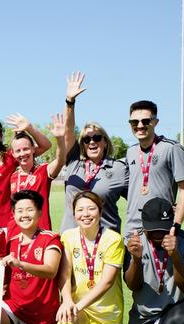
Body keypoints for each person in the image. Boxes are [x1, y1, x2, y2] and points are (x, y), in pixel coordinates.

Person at [56, 191, 124, 324]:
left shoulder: (113, 239)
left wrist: (77, 305)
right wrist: (68, 301)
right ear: (74, 213)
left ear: (100, 211)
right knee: (65, 320)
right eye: (80, 209)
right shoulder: (68, 237)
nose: (86, 214)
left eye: (91, 208)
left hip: (105, 312)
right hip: (80, 309)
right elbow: (64, 275)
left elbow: (106, 283)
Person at [1, 190, 63, 324]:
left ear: (39, 213)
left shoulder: (50, 238)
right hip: (14, 306)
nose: (24, 214)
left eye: (29, 210)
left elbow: (51, 270)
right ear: (13, 214)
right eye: (19, 210)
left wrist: (21, 264)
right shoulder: (10, 242)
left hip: (40, 314)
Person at [61, 71, 128, 233]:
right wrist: (70, 102)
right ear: (82, 145)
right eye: (86, 139)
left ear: (105, 142)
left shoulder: (118, 169)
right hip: (72, 241)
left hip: (105, 241)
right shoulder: (73, 162)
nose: (92, 142)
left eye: (97, 138)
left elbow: (137, 198)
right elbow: (68, 131)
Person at [0, 115, 51, 228]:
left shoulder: (9, 157)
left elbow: (46, 146)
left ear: (1, 137)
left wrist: (30, 128)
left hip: (5, 225)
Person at [125, 100, 184, 236]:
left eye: (145, 121)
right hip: (132, 228)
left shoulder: (172, 148)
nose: (139, 126)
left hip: (160, 225)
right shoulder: (130, 152)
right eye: (134, 122)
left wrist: (177, 224)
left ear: (155, 122)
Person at [7, 113, 67, 236]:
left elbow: (61, 160)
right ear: (13, 154)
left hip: (41, 235)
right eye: (18, 151)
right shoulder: (12, 176)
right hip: (16, 235)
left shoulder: (43, 170)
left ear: (34, 149)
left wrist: (60, 139)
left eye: (26, 149)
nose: (22, 153)